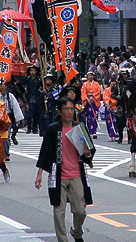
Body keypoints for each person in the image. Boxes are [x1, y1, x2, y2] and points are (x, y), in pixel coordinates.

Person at [35, 97, 95, 242]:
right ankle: (63, 240)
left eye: (71, 109)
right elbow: (45, 152)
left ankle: (76, 231)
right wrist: (40, 174)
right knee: (58, 211)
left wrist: (87, 152)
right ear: (60, 111)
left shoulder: (79, 127)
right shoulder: (53, 129)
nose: (69, 112)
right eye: (66, 109)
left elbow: (90, 151)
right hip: (59, 175)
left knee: (80, 211)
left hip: (76, 175)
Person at [0, 82, 24, 162]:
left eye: (4, 85)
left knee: (6, 136)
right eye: (1, 85)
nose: (2, 86)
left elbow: (15, 107)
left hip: (8, 118)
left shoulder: (10, 96)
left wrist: (17, 119)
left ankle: (6, 153)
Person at [81, 71, 102, 139]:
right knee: (89, 117)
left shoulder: (96, 84)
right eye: (89, 75)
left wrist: (92, 95)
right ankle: (90, 131)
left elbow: (99, 91)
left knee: (94, 116)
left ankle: (94, 131)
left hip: (94, 101)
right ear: (87, 76)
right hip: (88, 102)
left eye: (91, 75)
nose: (90, 77)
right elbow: (83, 93)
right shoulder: (85, 84)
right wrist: (87, 98)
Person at [23, 65, 42, 135]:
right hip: (29, 97)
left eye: (34, 70)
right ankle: (29, 128)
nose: (32, 72)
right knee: (29, 115)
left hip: (37, 98)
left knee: (36, 114)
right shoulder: (27, 79)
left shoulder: (39, 80)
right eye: (31, 70)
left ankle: (35, 128)